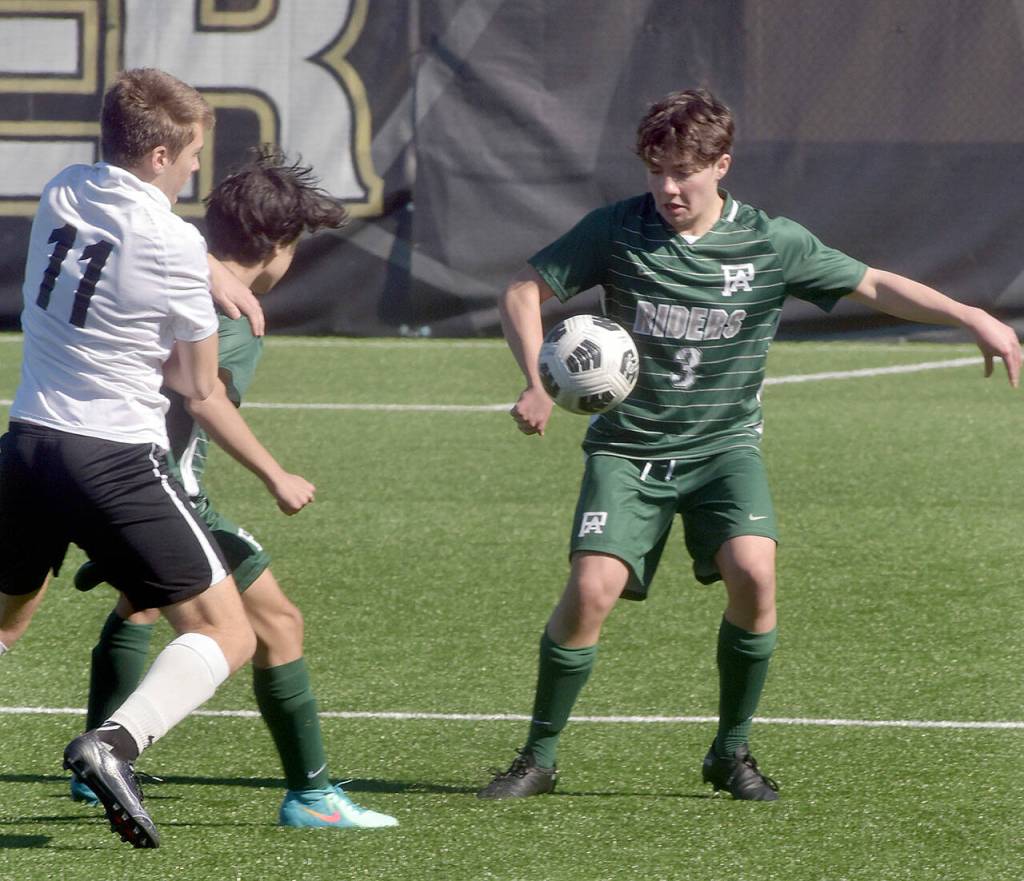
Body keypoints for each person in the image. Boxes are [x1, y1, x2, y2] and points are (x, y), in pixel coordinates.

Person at [478, 88, 1021, 802]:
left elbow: (875, 282)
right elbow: (524, 290)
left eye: (684, 172)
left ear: (720, 165)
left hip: (723, 450)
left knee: (755, 574)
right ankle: (537, 758)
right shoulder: (617, 230)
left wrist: (970, 314)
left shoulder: (771, 241)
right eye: (656, 172)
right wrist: (535, 380)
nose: (668, 188)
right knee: (591, 589)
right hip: (629, 452)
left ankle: (730, 752)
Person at [69, 146, 398, 830]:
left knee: (140, 604)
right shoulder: (234, 319)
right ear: (277, 246)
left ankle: (95, 766)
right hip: (164, 490)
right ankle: (312, 796)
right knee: (277, 623)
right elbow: (201, 395)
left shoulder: (164, 267)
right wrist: (277, 474)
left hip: (90, 466)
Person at [0, 68, 261, 848]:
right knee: (227, 629)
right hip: (110, 456)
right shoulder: (174, 243)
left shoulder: (64, 189)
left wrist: (201, 265)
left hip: (26, 443)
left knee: (9, 617)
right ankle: (112, 744)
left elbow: (136, 231)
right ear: (155, 156)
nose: (193, 171)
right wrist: (209, 284)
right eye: (188, 158)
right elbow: (195, 383)